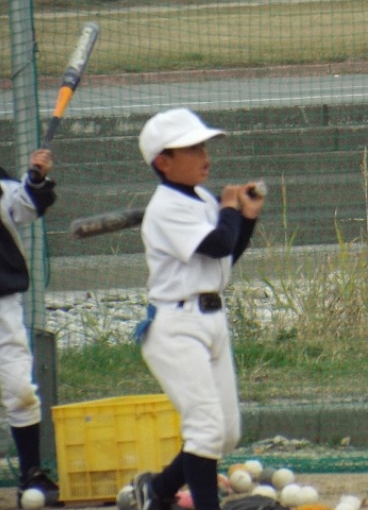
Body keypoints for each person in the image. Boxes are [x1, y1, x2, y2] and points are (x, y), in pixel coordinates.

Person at [130, 108, 265, 510]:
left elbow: (225, 256)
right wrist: (229, 209)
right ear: (163, 162)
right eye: (192, 149)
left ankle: (158, 490)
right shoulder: (166, 206)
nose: (204, 155)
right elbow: (219, 242)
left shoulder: (202, 198)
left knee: (225, 434)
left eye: (203, 146)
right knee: (205, 429)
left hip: (210, 318)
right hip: (176, 326)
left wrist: (245, 219)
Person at [0, 149, 60, 509]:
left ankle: (32, 473)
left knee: (20, 388)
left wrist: (35, 178)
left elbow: (26, 206)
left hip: (0, 302)